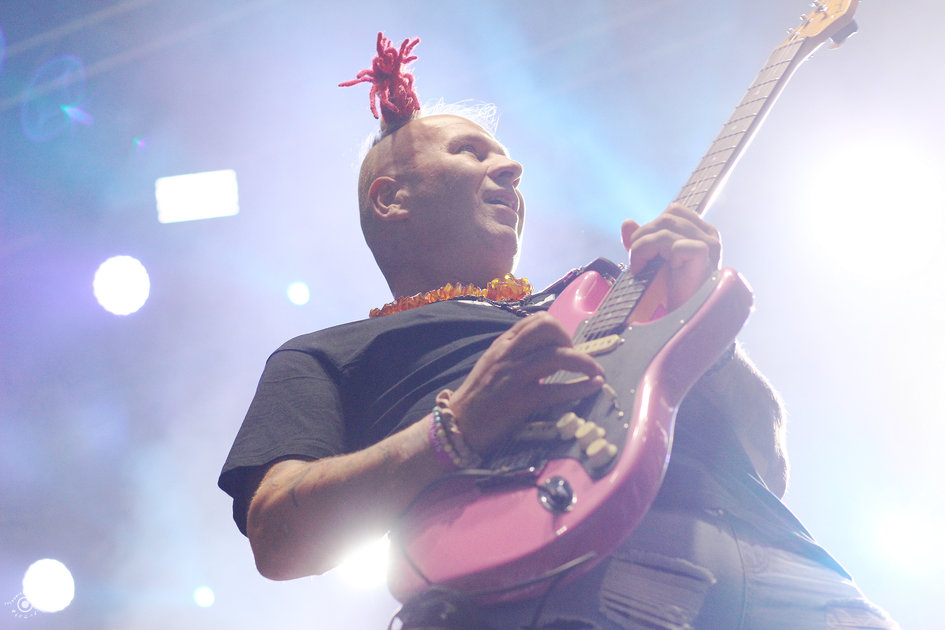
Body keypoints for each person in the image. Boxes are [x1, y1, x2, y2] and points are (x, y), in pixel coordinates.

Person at [218, 34, 899, 630]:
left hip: (788, 566)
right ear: (391, 197)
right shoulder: (327, 353)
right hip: (572, 582)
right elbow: (277, 537)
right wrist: (454, 429)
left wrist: (698, 323)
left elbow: (767, 465)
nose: (511, 169)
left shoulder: (601, 292)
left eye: (509, 160)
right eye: (469, 152)